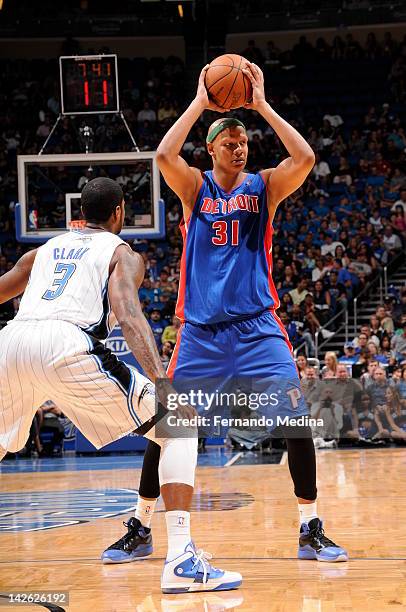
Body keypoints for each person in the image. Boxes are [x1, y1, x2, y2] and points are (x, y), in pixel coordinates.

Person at [103, 62, 348, 564]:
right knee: (168, 425)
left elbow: (304, 156)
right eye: (229, 141)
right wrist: (200, 102)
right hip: (200, 334)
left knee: (296, 421)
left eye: (243, 142)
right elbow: (163, 154)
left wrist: (259, 106)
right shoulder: (196, 189)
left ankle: (310, 526)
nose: (239, 148)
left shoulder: (264, 187)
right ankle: (140, 524)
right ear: (211, 149)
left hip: (258, 328)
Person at [0, 177, 241, 594]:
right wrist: (164, 385)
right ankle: (181, 559)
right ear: (119, 213)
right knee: (179, 426)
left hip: (11, 340)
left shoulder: (43, 250)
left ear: (78, 212)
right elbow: (128, 316)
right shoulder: (121, 253)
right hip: (64, 342)